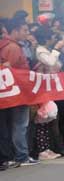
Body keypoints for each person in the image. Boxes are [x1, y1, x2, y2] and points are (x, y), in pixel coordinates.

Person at [0, 18, 39, 166]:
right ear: (15, 31)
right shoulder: (13, 48)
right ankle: (21, 156)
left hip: (9, 93)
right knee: (20, 124)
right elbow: (9, 70)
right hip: (18, 91)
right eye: (24, 30)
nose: (27, 33)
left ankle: (14, 155)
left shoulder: (6, 45)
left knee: (13, 125)